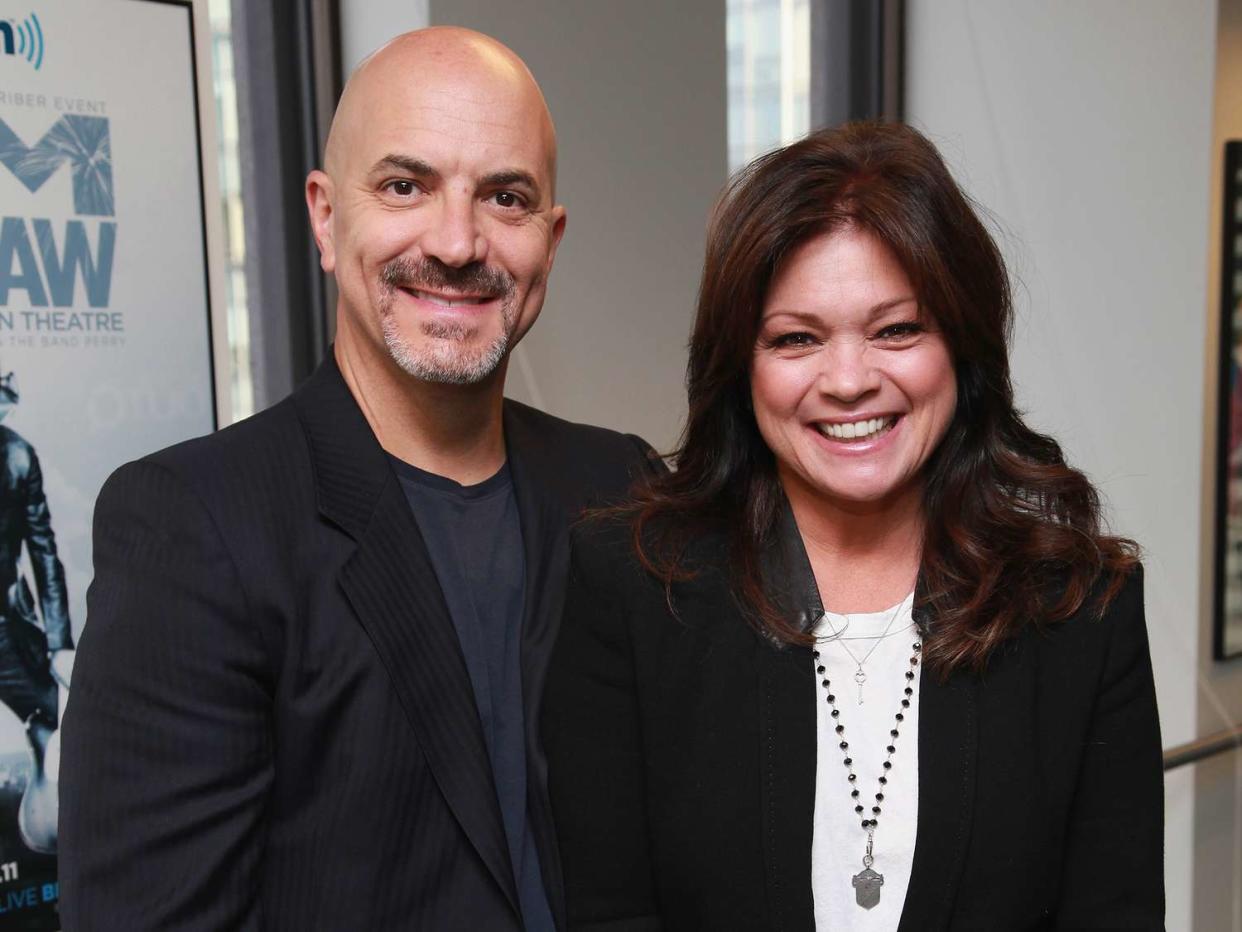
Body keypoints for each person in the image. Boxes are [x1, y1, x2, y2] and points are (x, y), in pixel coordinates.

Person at [59, 27, 658, 931]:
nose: (457, 243)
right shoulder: (196, 527)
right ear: (327, 217)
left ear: (551, 237)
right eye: (405, 185)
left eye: (505, 197)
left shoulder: (621, 487)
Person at [543, 122, 1164, 931]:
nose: (847, 382)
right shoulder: (631, 588)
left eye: (896, 329)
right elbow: (608, 917)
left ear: (962, 346)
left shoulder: (1083, 609)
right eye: (796, 338)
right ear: (742, 367)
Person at [0, 369, 72, 854]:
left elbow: (43, 549)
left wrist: (60, 640)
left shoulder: (19, 454)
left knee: (58, 725)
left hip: (8, 627)